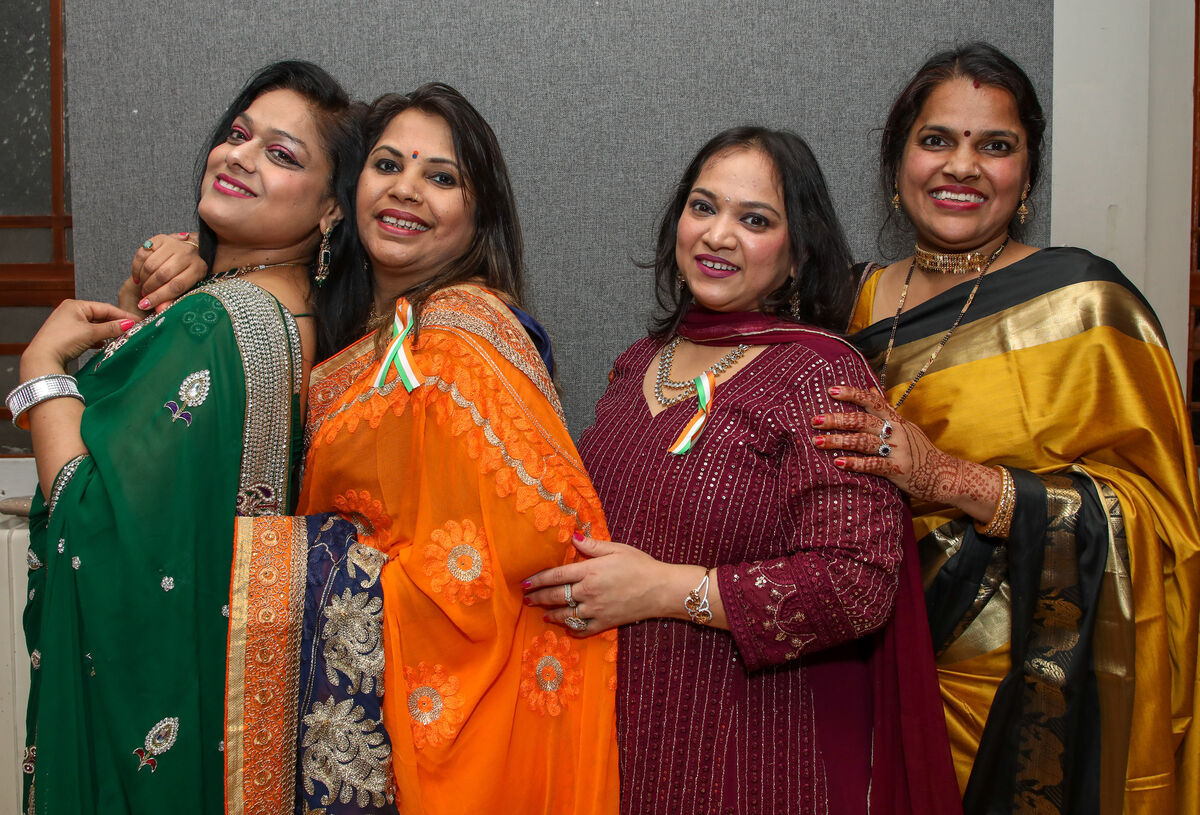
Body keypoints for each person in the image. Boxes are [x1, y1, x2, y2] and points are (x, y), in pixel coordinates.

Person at [809, 42, 1200, 814]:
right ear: (898, 166)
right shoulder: (839, 304)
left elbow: (1160, 528)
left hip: (1019, 696)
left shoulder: (1088, 308)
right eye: (936, 140)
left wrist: (946, 479)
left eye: (996, 145)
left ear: (1026, 177)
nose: (963, 166)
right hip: (860, 674)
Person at [524, 127, 960, 814]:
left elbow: (858, 582)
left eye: (754, 220)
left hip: (753, 754)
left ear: (795, 256)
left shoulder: (821, 373)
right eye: (704, 207)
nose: (718, 235)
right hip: (620, 740)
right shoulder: (637, 362)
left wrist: (667, 590)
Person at [223, 83, 619, 814]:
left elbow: (519, 565)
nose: (407, 189)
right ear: (348, 192)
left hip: (465, 725)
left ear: (478, 216)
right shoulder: (351, 341)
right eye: (387, 165)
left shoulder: (463, 334)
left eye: (442, 177)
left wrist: (292, 565)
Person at [12, 60, 359, 815]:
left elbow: (90, 517)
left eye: (282, 153)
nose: (239, 155)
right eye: (239, 134)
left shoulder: (210, 323)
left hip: (154, 714)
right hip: (234, 719)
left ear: (333, 209)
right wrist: (141, 307)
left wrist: (40, 368)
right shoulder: (306, 321)